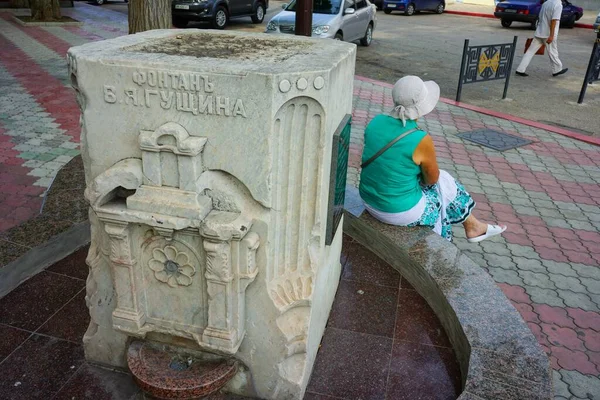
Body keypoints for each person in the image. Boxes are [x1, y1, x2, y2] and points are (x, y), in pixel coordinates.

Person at [359, 76, 507, 242]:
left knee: (443, 182)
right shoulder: (420, 138)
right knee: (443, 186)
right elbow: (431, 180)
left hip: (369, 200)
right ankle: (458, 235)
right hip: (396, 211)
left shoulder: (375, 122)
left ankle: (473, 226)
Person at [515, 0, 568, 77]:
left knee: (530, 52)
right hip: (548, 34)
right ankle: (557, 69)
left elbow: (540, 17)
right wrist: (551, 35)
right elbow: (553, 21)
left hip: (539, 32)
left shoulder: (546, 3)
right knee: (553, 53)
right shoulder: (558, 5)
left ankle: (520, 69)